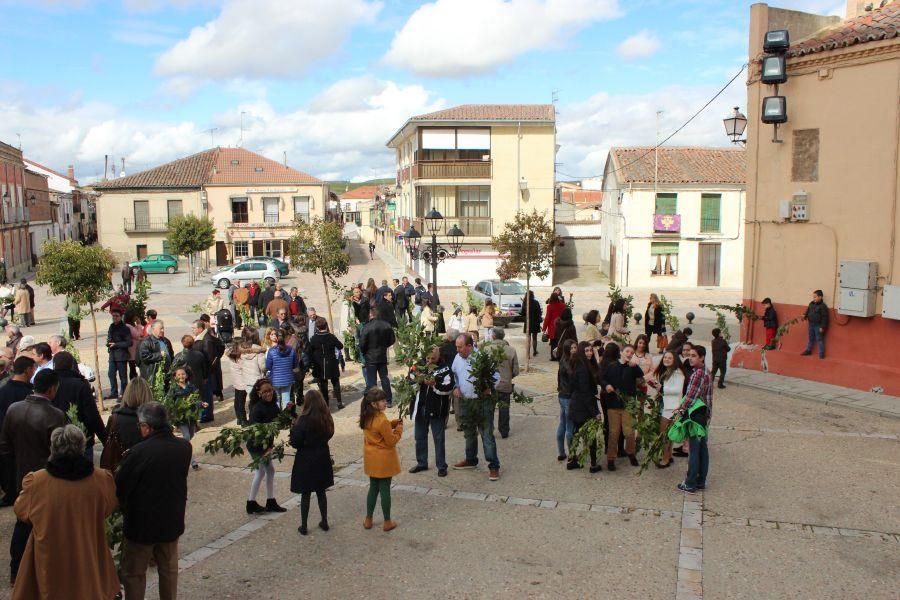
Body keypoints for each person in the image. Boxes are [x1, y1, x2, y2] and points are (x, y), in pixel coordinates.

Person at [12, 425, 119, 600]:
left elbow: (21, 511)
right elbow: (109, 507)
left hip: (50, 557)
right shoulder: (101, 480)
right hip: (89, 552)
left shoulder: (37, 482)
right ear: (82, 447)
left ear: (53, 448)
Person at [116, 401, 192, 600]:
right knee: (168, 571)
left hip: (141, 525)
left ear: (146, 427)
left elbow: (121, 487)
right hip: (171, 519)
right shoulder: (184, 447)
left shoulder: (138, 453)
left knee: (134, 574)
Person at [0, 369, 66, 583]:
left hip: (22, 475)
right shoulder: (55, 415)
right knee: (47, 526)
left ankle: (16, 571)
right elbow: (61, 452)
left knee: (24, 522)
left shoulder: (14, 409)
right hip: (47, 477)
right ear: (52, 389)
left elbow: (5, 446)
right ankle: (45, 572)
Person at [451, 333, 501, 481]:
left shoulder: (483, 359)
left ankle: (493, 466)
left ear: (469, 346)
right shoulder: (457, 358)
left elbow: (496, 376)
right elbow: (455, 374)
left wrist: (489, 388)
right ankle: (471, 459)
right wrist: (456, 386)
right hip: (466, 402)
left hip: (482, 402)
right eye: (456, 347)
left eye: (460, 347)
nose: (458, 350)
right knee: (469, 433)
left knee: (487, 434)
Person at [290, 389, 335, 535]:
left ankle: (304, 525)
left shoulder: (302, 421)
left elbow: (296, 442)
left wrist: (293, 428)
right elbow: (330, 434)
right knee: (321, 492)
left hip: (306, 459)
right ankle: (324, 521)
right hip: (322, 457)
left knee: (306, 493)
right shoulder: (326, 418)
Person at [360, 387, 402, 531]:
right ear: (374, 404)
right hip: (383, 459)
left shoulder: (366, 416)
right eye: (382, 401)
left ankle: (368, 519)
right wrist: (398, 430)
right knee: (385, 490)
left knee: (373, 488)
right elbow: (390, 441)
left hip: (371, 458)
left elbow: (376, 431)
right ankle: (387, 521)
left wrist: (391, 424)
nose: (385, 402)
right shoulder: (382, 420)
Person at [51, 351, 106, 461]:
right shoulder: (80, 384)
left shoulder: (50, 383)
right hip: (80, 438)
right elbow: (91, 414)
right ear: (72, 365)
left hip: (56, 438)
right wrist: (104, 438)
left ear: (54, 365)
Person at [408, 346, 453, 476]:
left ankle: (441, 466)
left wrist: (434, 384)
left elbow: (448, 388)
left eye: (433, 358)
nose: (430, 361)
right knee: (419, 437)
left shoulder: (445, 369)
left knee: (438, 438)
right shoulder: (417, 365)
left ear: (438, 356)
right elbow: (409, 381)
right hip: (420, 407)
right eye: (428, 358)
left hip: (436, 409)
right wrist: (417, 379)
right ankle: (422, 463)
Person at [245, 378, 287, 514]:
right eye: (265, 392)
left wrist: (290, 412)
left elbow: (280, 421)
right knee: (261, 471)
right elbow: (255, 433)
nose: (269, 393)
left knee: (270, 471)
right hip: (256, 445)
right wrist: (266, 449)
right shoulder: (257, 410)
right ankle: (251, 503)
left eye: (270, 390)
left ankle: (270, 501)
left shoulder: (273, 405)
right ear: (259, 393)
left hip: (266, 445)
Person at [600, 343, 643, 470]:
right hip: (612, 405)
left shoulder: (633, 367)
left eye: (631, 352)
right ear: (622, 352)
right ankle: (611, 458)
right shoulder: (612, 366)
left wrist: (635, 366)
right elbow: (602, 379)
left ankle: (630, 452)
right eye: (627, 351)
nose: (629, 354)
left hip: (627, 405)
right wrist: (606, 385)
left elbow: (641, 379)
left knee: (629, 432)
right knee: (614, 432)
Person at [0, 357, 36, 505]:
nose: (34, 372)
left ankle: (11, 494)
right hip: (29, 440)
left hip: (7, 440)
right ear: (27, 370)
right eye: (33, 369)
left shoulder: (3, 391)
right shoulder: (32, 393)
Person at [677, 345, 713, 494]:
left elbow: (691, 396)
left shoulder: (697, 374)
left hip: (695, 416)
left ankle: (690, 483)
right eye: (689, 355)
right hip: (704, 415)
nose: (690, 358)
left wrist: (680, 410)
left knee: (694, 450)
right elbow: (709, 398)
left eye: (693, 356)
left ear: (702, 357)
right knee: (703, 449)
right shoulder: (707, 371)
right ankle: (700, 481)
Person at [103, 378, 153, 472]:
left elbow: (106, 440)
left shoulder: (115, 418)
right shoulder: (153, 419)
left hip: (120, 469)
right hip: (146, 471)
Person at [647, 350, 686, 468]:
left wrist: (661, 388)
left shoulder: (677, 373)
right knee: (668, 434)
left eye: (670, 358)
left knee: (664, 434)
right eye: (665, 358)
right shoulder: (667, 372)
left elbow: (677, 390)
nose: (666, 359)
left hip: (672, 408)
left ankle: (665, 459)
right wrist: (657, 387)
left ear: (675, 360)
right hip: (668, 405)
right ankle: (668, 456)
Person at [567, 341, 603, 473]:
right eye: (586, 351)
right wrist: (595, 412)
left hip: (577, 404)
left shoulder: (578, 364)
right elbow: (585, 392)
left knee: (576, 434)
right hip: (583, 407)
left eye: (590, 351)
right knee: (590, 436)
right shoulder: (583, 368)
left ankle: (572, 460)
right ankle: (593, 464)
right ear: (582, 352)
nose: (589, 353)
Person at [169, 366, 206, 470]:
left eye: (183, 374)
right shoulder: (173, 389)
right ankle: (193, 462)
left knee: (190, 435)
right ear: (175, 376)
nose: (181, 376)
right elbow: (170, 403)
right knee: (186, 438)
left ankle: (177, 447)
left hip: (191, 417)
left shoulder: (191, 387)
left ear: (187, 375)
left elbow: (197, 399)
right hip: (181, 418)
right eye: (179, 374)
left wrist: (202, 404)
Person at [227, 329, 266, 426]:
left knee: (237, 401)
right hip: (242, 381)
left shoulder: (231, 354)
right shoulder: (239, 357)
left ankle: (239, 418)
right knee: (241, 402)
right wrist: (260, 349)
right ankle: (243, 420)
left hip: (236, 381)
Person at [359, 306, 396, 407]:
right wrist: (384, 346)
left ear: (370, 315)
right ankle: (388, 400)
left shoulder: (367, 327)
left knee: (372, 381)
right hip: (382, 355)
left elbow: (362, 343)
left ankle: (374, 401)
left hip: (370, 356)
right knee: (384, 378)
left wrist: (365, 352)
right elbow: (392, 340)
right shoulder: (386, 325)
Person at [306, 317, 345, 410]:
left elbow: (309, 351)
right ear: (326, 325)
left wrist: (312, 362)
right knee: (335, 382)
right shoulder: (331, 337)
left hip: (320, 364)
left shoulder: (314, 338)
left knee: (323, 385)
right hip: (331, 362)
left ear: (317, 327)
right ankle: (339, 402)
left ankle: (326, 404)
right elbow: (340, 346)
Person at [489, 327, 519, 439]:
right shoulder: (511, 350)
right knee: (504, 409)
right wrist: (508, 376)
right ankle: (504, 431)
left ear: (493, 336)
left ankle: (489, 430)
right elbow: (516, 370)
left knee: (489, 409)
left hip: (491, 385)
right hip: (505, 384)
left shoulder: (486, 349)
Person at [555, 340, 577, 462]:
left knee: (562, 423)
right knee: (569, 426)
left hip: (562, 395)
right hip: (568, 396)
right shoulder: (567, 361)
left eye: (575, 347)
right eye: (572, 348)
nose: (574, 350)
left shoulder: (563, 359)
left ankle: (561, 452)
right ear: (568, 349)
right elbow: (572, 375)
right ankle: (572, 454)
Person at [265, 330, 297, 410]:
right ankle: (286, 419)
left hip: (275, 380)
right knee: (286, 399)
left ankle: (278, 419)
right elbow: (295, 365)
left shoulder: (271, 351)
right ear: (285, 338)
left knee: (276, 400)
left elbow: (268, 366)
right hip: (288, 379)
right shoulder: (291, 350)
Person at [802, 289, 829, 359]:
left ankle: (821, 353)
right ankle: (809, 350)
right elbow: (807, 311)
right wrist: (805, 316)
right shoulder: (811, 304)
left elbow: (824, 317)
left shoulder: (823, 306)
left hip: (818, 325)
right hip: (811, 324)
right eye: (813, 297)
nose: (814, 298)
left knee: (819, 339)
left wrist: (822, 327)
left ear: (820, 297)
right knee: (811, 338)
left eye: (815, 297)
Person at [542, 291, 566, 358]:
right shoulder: (563, 306)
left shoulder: (550, 307)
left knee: (553, 343)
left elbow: (547, 318)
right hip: (562, 326)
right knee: (561, 341)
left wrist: (544, 328)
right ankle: (560, 355)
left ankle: (553, 356)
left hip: (552, 327)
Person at [523, 290, 542, 358]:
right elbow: (539, 312)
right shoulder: (536, 302)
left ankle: (528, 353)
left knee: (528, 338)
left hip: (528, 322)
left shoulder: (525, 302)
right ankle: (534, 351)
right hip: (535, 322)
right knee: (535, 338)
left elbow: (522, 313)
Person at [124, 313, 143, 380]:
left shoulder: (130, 326)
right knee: (133, 369)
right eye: (135, 317)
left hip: (133, 350)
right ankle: (134, 383)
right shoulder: (129, 326)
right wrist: (139, 324)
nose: (136, 319)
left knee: (132, 368)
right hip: (132, 351)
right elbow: (138, 335)